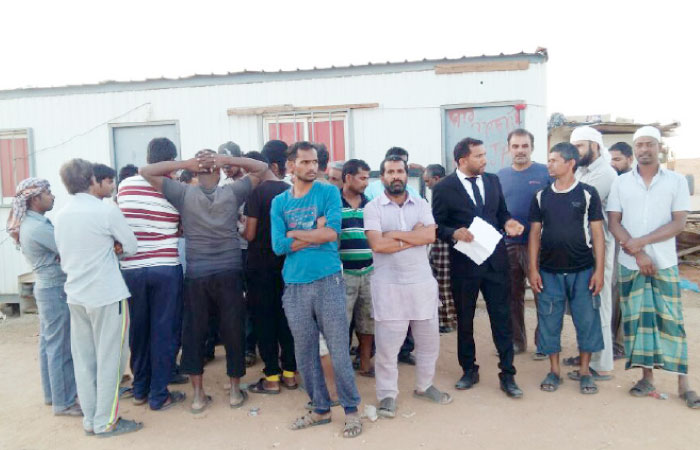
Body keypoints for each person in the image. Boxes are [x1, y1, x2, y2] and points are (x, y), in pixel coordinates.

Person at [140, 148, 272, 413]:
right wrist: (228, 160)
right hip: (229, 271)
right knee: (233, 330)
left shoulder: (183, 193)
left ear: (196, 171)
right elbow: (261, 167)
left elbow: (145, 171)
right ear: (219, 170)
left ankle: (199, 396)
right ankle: (235, 392)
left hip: (197, 274)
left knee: (195, 333)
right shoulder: (232, 192)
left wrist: (184, 163)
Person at [270, 141, 362, 438]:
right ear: (290, 166)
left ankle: (351, 411)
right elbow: (277, 245)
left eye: (315, 163)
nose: (313, 167)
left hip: (328, 280)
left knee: (338, 348)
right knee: (304, 351)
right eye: (305, 162)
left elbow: (332, 234)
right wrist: (313, 232)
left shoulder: (328, 192)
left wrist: (295, 232)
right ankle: (320, 409)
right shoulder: (279, 202)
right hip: (294, 285)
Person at [607, 126, 699, 409]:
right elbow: (614, 222)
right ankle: (647, 378)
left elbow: (678, 223)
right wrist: (637, 254)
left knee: (671, 321)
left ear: (659, 148)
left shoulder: (675, 181)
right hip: (630, 263)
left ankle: (684, 383)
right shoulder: (622, 183)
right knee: (638, 322)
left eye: (649, 144)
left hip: (664, 262)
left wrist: (643, 245)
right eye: (639, 145)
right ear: (634, 149)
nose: (644, 149)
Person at [431, 137, 524, 398]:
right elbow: (437, 226)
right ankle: (469, 370)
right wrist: (453, 233)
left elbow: (501, 213)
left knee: (501, 318)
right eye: (479, 156)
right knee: (466, 319)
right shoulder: (443, 188)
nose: (485, 160)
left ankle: (508, 374)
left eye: (484, 155)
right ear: (462, 160)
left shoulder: (493, 180)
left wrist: (509, 223)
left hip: (495, 262)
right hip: (464, 264)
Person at [53, 158, 141, 437]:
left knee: (84, 359)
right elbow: (131, 246)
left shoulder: (61, 214)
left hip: (76, 294)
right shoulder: (105, 210)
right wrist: (113, 248)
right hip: (106, 293)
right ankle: (106, 421)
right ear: (92, 179)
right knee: (110, 359)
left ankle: (91, 419)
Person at [365, 155, 453, 418]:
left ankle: (425, 386)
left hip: (421, 286)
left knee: (428, 344)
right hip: (389, 287)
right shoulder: (373, 208)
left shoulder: (421, 203)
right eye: (390, 172)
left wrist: (396, 235)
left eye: (400, 171)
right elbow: (378, 245)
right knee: (388, 348)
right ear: (382, 178)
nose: (396, 176)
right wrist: (413, 237)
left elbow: (430, 235)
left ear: (406, 175)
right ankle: (387, 395)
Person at [528, 142, 606, 395]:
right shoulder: (542, 196)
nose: (549, 164)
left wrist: (599, 271)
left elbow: (598, 234)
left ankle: (584, 371)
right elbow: (534, 235)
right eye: (549, 160)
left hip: (583, 270)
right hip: (549, 271)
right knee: (550, 320)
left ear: (570, 163)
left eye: (554, 160)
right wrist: (533, 269)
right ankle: (554, 371)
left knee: (587, 320)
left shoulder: (587, 193)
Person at [117, 138, 186, 411]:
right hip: (165, 267)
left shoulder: (125, 185)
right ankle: (159, 395)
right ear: (172, 160)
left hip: (132, 269)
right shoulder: (174, 189)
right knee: (164, 331)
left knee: (139, 330)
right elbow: (182, 228)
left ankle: (140, 389)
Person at [7, 178, 80, 416]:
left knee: (49, 343)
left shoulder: (31, 223)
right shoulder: (38, 228)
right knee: (60, 346)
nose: (52, 196)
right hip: (54, 289)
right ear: (35, 199)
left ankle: (53, 395)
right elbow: (68, 249)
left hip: (47, 287)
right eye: (47, 192)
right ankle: (65, 402)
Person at [243, 140, 298, 394]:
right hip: (287, 265)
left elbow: (251, 234)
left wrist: (239, 228)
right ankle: (290, 373)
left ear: (270, 164)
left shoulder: (258, 192)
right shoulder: (292, 191)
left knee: (264, 320)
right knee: (286, 319)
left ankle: (272, 377)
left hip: (259, 266)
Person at [566, 126, 617, 381]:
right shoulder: (584, 170)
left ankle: (602, 363)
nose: (577, 152)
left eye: (581, 146)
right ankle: (588, 354)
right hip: (582, 248)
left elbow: (576, 200)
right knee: (584, 306)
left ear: (595, 146)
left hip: (599, 248)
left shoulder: (605, 174)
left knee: (600, 304)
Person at [497, 129, 551, 358]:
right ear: (508, 148)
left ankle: (544, 344)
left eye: (524, 146)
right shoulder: (499, 176)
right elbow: (497, 210)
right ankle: (518, 342)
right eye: (515, 146)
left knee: (543, 294)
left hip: (537, 246)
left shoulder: (545, 173)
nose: (520, 150)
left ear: (532, 148)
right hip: (508, 244)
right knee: (512, 295)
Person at [339, 159, 375, 376]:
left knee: (367, 322)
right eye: (362, 178)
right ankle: (341, 369)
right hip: (343, 274)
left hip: (368, 272)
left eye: (367, 178)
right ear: (348, 178)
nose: (366, 183)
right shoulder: (333, 203)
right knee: (341, 323)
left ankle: (364, 364)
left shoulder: (370, 205)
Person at [423, 164, 457, 333]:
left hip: (442, 240)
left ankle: (446, 320)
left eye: (428, 181)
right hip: (449, 239)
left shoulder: (441, 191)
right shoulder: (454, 187)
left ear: (436, 179)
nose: (427, 185)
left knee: (442, 281)